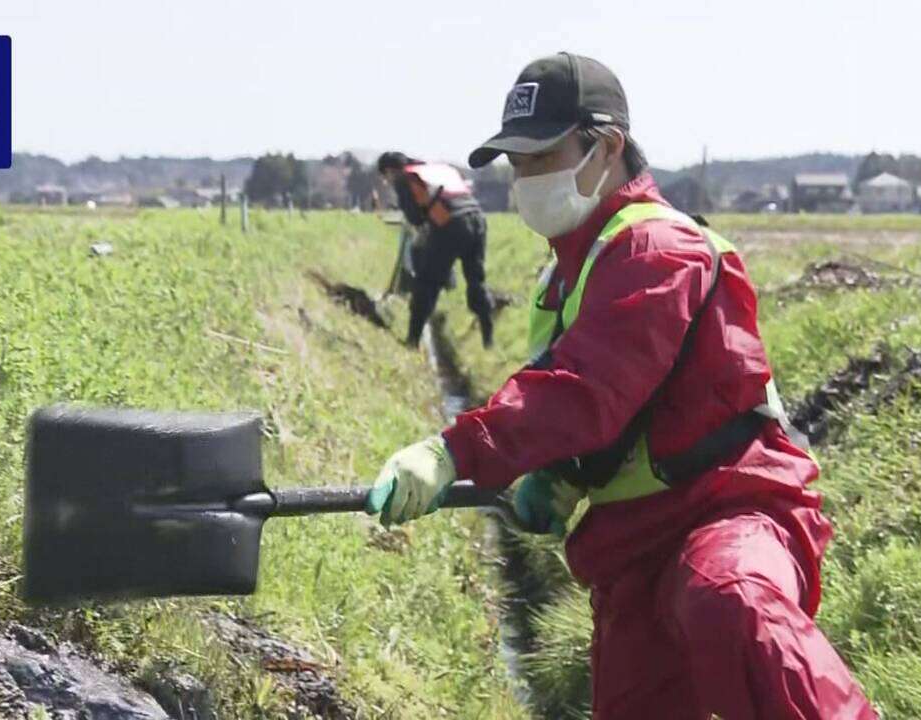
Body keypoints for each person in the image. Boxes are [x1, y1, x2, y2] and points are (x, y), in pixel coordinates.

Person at [365, 53, 878, 719]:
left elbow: (584, 389)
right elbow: (594, 413)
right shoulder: (566, 276)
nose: (524, 180)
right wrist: (558, 480)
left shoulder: (657, 250)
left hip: (727, 508)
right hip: (632, 547)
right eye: (517, 165)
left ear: (604, 148)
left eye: (542, 157)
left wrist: (452, 452)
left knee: (728, 598)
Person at [377, 151, 494, 347]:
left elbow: (415, 218)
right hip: (478, 220)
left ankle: (412, 340)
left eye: (385, 177)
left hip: (451, 225)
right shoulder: (437, 169)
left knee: (427, 283)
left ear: (389, 171)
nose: (387, 181)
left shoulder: (404, 178)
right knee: (476, 280)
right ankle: (488, 339)